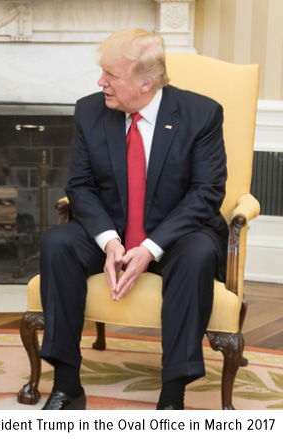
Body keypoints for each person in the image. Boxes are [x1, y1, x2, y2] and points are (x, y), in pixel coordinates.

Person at [39, 28, 228, 410]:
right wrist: (110, 241)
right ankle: (66, 385)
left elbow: (206, 193)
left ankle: (172, 394)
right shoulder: (90, 111)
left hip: (177, 234)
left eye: (112, 75)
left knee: (196, 257)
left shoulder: (201, 114)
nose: (100, 82)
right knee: (56, 244)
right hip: (113, 229)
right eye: (101, 72)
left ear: (146, 82)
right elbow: (80, 187)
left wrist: (150, 248)